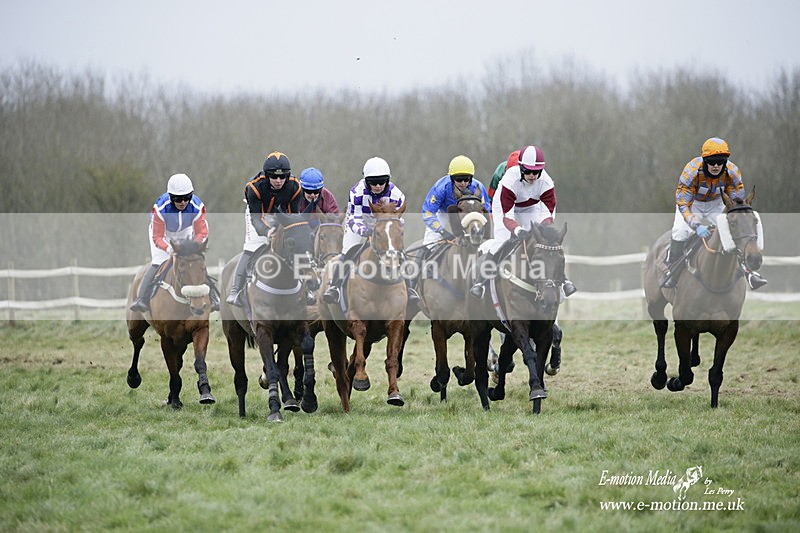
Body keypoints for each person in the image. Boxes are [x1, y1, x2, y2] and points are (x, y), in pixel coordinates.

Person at [469, 145, 577, 298]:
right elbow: (507, 217)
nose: (532, 175)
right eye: (528, 171)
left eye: (536, 172)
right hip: (505, 206)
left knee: (546, 242)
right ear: (521, 168)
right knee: (503, 240)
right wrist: (518, 230)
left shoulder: (546, 183)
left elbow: (548, 213)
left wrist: (542, 232)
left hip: (531, 206)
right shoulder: (509, 180)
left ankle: (564, 281)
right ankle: (481, 282)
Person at [663, 137, 767, 289]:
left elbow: (736, 202)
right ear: (704, 160)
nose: (716, 165)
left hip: (718, 202)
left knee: (731, 234)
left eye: (721, 161)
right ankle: (672, 271)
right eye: (712, 161)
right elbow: (683, 204)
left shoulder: (732, 172)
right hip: (693, 203)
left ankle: (749, 273)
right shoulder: (691, 171)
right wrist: (696, 225)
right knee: (680, 231)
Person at [321, 156, 419, 305]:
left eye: (382, 181)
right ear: (366, 181)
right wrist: (368, 232)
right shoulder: (357, 192)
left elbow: (398, 221)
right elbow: (354, 219)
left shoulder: (397, 195)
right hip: (361, 223)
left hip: (385, 223)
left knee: (399, 252)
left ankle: (410, 288)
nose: (378, 185)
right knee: (347, 252)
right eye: (373, 182)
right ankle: (334, 287)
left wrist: (392, 234)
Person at [130, 173, 219, 312]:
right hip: (163, 234)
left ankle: (213, 297)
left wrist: (192, 248)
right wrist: (169, 249)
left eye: (187, 197)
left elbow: (202, 232)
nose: (183, 202)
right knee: (159, 261)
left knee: (195, 262)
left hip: (185, 231)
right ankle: (141, 298)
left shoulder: (197, 206)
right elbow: (157, 237)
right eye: (178, 199)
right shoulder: (160, 208)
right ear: (171, 197)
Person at [226, 151, 303, 307]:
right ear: (267, 175)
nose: (279, 180)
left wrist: (288, 231)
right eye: (274, 177)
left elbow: (292, 214)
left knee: (295, 245)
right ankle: (236, 290)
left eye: (283, 177)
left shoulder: (295, 187)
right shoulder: (253, 187)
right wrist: (268, 231)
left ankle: (306, 287)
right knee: (253, 245)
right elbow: (257, 218)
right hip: (258, 214)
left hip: (282, 215)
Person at [421, 155, 491, 245]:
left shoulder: (478, 187)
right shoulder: (441, 188)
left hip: (468, 213)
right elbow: (428, 212)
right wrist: (442, 231)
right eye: (459, 179)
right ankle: (421, 257)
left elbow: (486, 209)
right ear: (452, 178)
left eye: (466, 179)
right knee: (429, 242)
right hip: (443, 213)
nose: (463, 183)